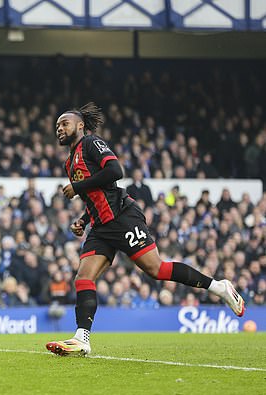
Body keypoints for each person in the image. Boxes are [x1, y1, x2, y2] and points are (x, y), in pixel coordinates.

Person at [45, 103, 245, 357]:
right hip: (99, 226)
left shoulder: (92, 143)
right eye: (57, 126)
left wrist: (77, 187)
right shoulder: (69, 162)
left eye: (65, 123)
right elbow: (96, 195)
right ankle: (82, 339)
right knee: (83, 279)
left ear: (80, 125)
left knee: (157, 269)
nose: (59, 128)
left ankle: (218, 287)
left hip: (122, 217)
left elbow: (115, 171)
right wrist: (83, 221)